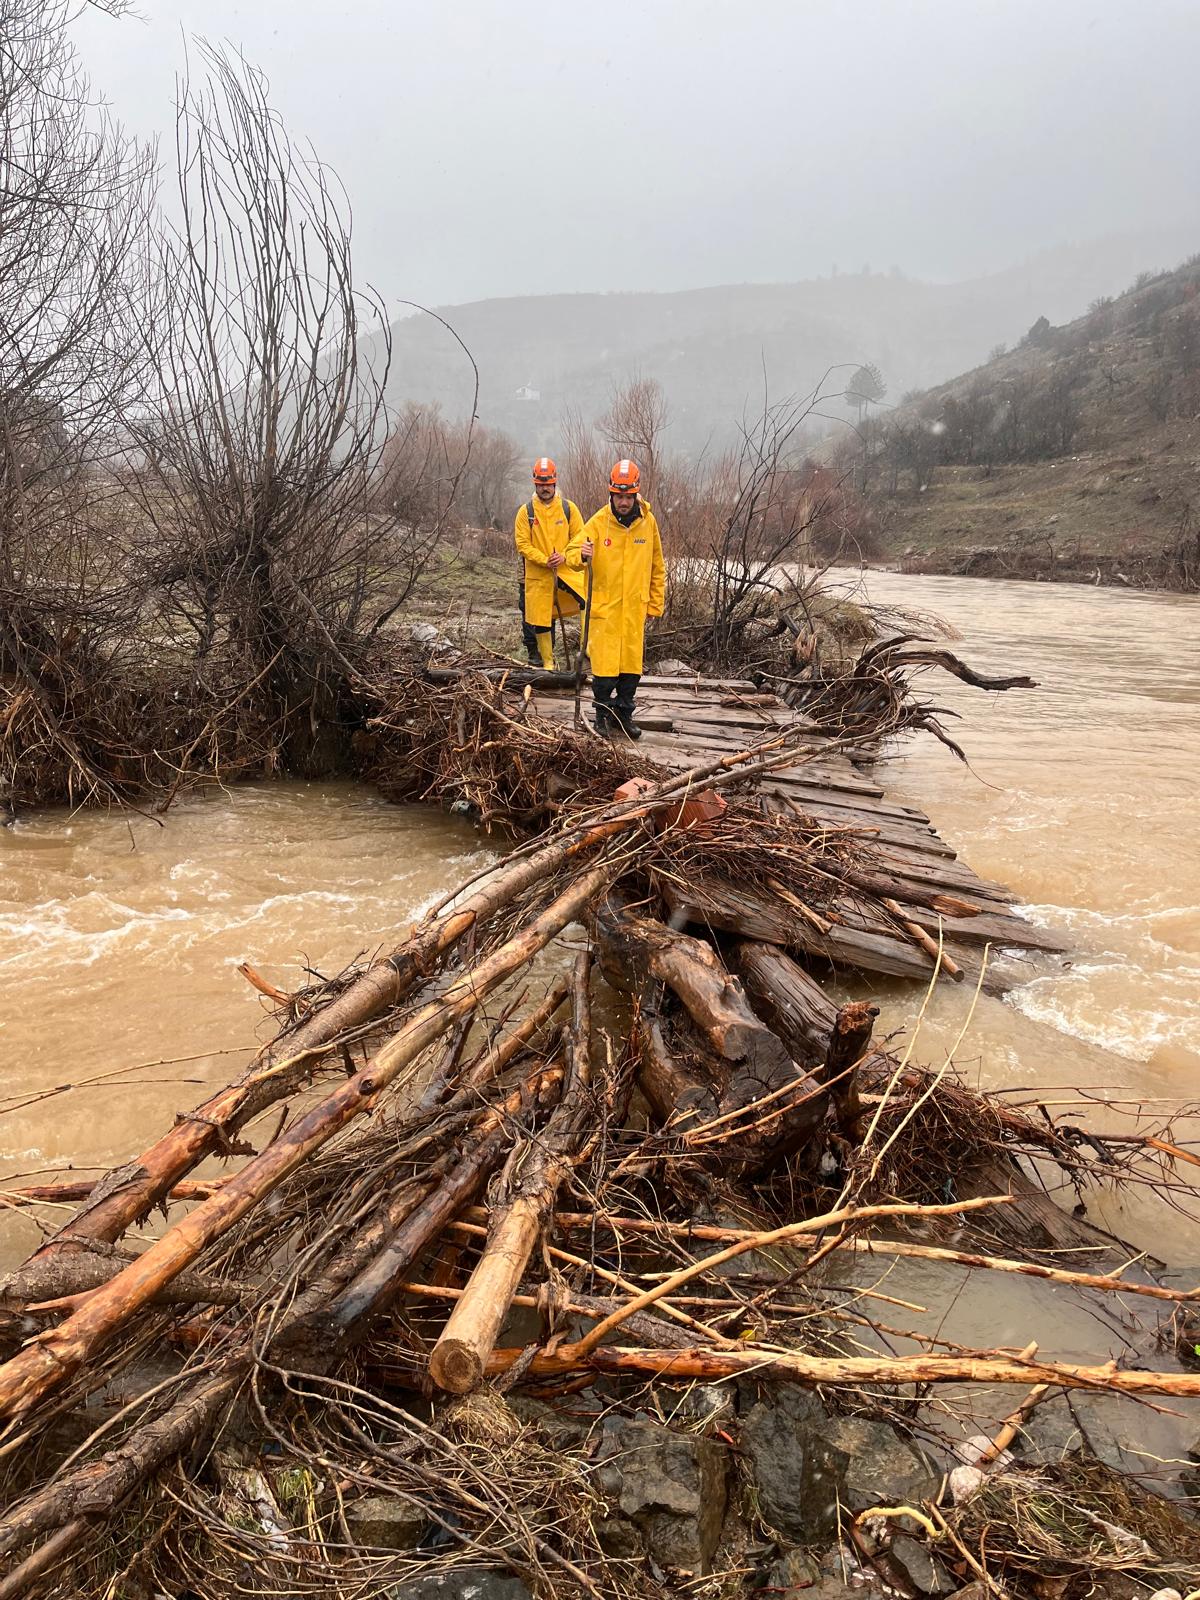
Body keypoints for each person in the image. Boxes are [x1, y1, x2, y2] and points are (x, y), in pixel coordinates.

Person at [565, 458, 665, 738]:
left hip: (634, 609)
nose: (623, 502)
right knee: (605, 671)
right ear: (611, 494)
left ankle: (624, 716)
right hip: (605, 611)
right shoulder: (597, 523)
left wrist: (655, 603)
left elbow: (658, 566)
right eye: (619, 496)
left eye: (628, 496)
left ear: (636, 494)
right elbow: (572, 554)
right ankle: (601, 717)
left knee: (630, 670)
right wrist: (581, 556)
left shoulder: (648, 524)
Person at [513, 457, 585, 669]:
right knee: (540, 618)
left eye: (548, 483)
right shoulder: (525, 512)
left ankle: (585, 650)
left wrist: (564, 555)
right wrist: (544, 560)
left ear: (555, 482)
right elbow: (523, 544)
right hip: (537, 574)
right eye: (541, 483)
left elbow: (580, 536)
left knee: (587, 599)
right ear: (535, 483)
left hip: (566, 570)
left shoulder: (568, 508)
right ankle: (547, 664)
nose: (545, 488)